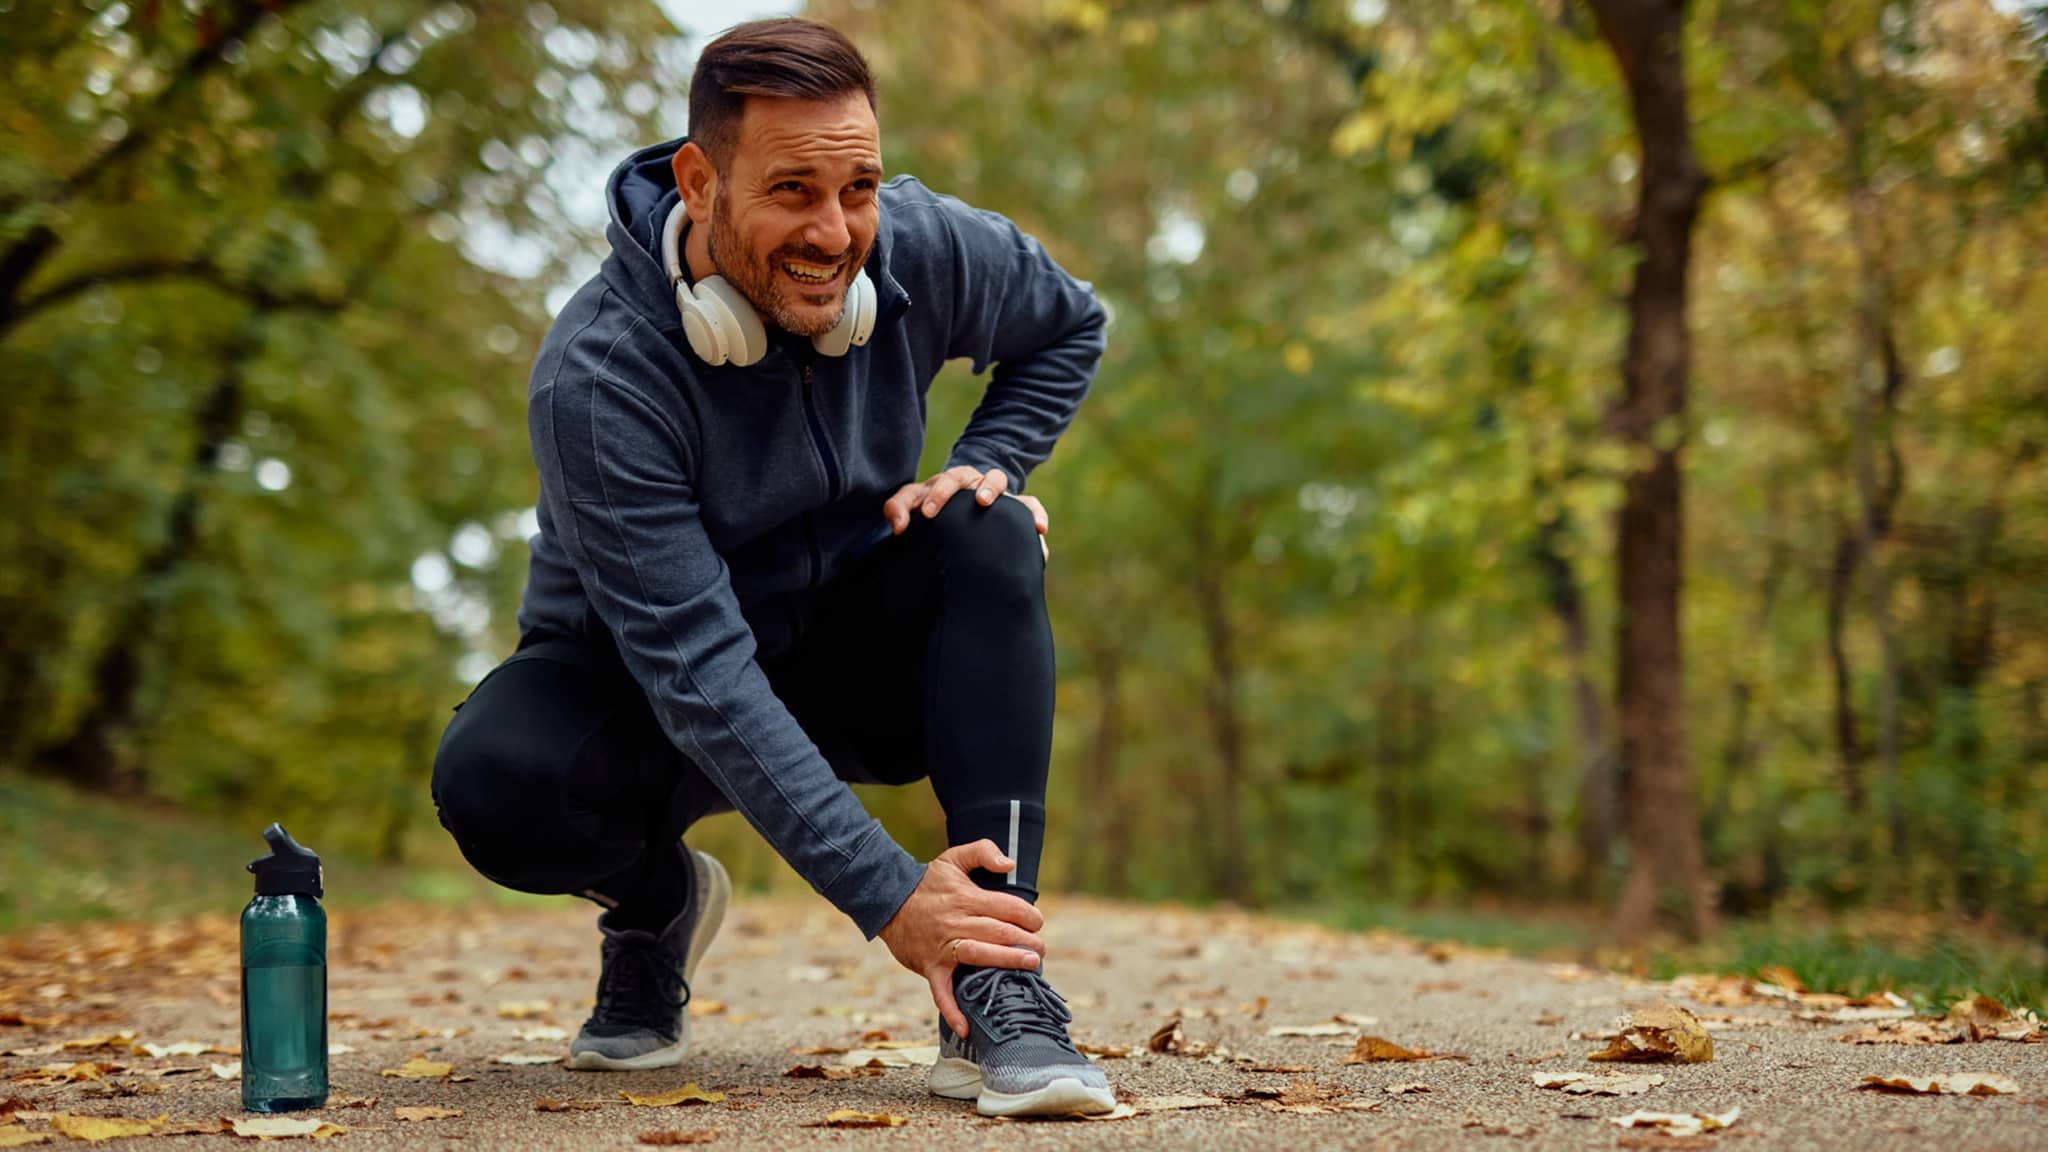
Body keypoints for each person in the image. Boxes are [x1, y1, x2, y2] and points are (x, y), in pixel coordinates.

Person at [428, 17, 1113, 1119]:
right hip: (640, 688)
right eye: (792, 190)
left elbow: (1069, 325)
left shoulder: (919, 247)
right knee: (498, 782)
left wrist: (984, 461)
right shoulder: (600, 377)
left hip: (840, 648)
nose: (835, 231)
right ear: (699, 182)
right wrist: (893, 898)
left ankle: (994, 980)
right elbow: (696, 670)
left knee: (988, 526)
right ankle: (653, 903)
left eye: (857, 188)